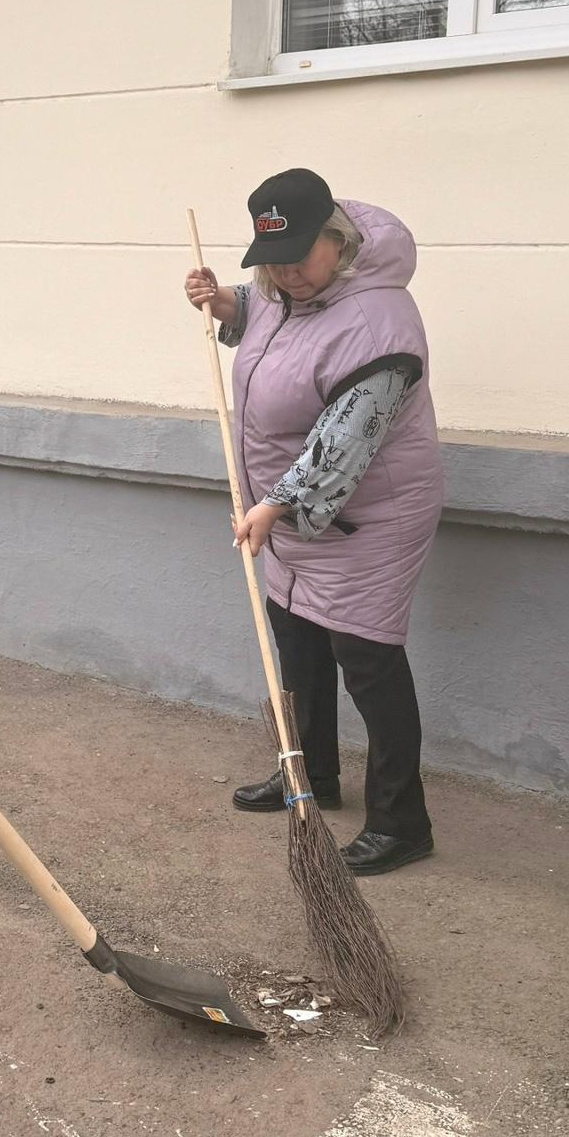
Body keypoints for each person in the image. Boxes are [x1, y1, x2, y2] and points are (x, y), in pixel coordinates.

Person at [185, 168, 442, 876]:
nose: (285, 274)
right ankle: (309, 772)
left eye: (299, 257)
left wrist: (273, 506)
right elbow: (274, 325)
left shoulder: (378, 323)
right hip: (292, 515)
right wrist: (227, 303)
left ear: (338, 240)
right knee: (297, 641)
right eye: (271, 261)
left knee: (367, 658)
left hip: (367, 516)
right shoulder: (283, 289)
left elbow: (346, 441)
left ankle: (401, 822)